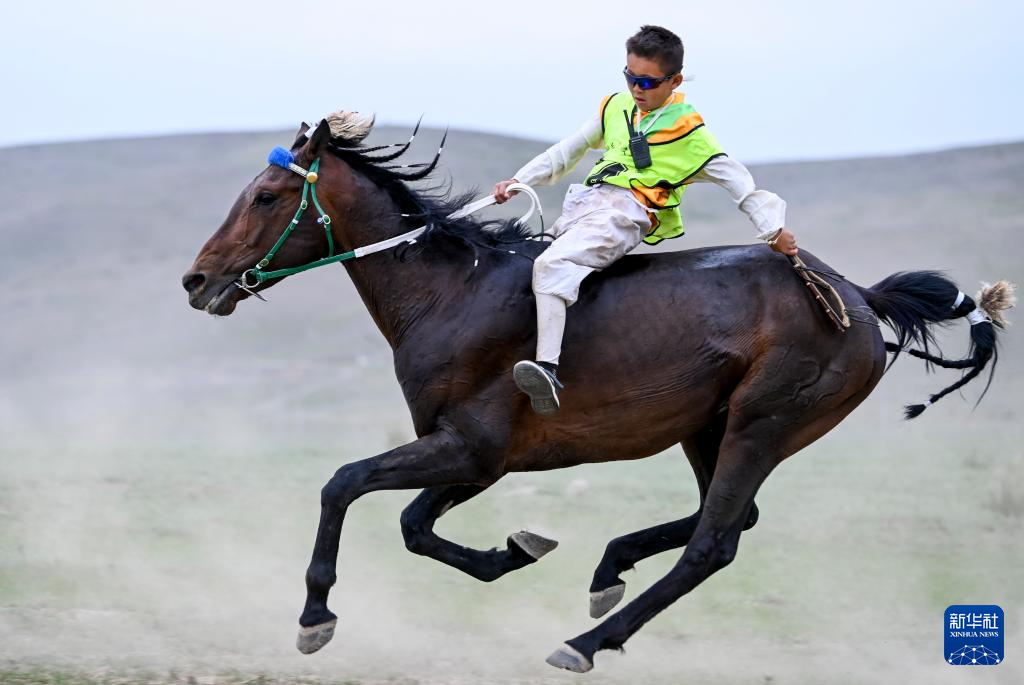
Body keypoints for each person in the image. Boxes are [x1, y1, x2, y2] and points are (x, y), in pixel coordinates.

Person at [494, 24, 799, 415]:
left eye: (648, 82)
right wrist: (520, 180)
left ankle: (549, 371)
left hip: (626, 214)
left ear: (674, 81)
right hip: (584, 205)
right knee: (522, 262)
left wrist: (773, 229)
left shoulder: (690, 132)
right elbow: (568, 150)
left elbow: (737, 180)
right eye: (630, 77)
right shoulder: (615, 107)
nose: (637, 89)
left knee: (552, 265)